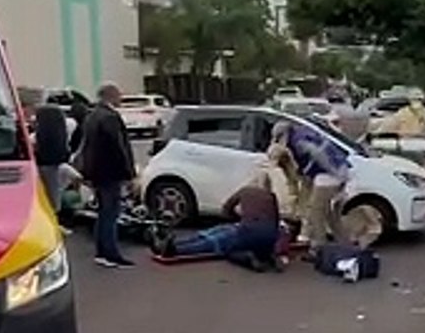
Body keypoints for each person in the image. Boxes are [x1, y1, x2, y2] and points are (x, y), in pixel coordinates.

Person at [151, 173, 283, 272]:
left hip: (246, 231)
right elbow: (276, 222)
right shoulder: (271, 196)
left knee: (216, 239)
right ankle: (172, 245)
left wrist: (236, 217)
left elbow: (226, 209)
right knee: (219, 237)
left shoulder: (245, 191)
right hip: (268, 237)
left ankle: (176, 247)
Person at [272, 120, 351, 258]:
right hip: (340, 171)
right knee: (331, 215)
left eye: (278, 138)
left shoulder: (298, 142)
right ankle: (346, 247)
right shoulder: (302, 132)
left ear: (283, 135)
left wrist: (335, 173)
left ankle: (319, 249)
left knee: (316, 213)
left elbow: (317, 154)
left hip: (329, 177)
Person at [80, 82, 137, 268]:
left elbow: (86, 147)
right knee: (111, 213)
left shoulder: (92, 116)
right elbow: (118, 147)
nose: (121, 98)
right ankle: (111, 253)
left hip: (97, 172)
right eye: (119, 95)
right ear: (111, 96)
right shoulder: (110, 117)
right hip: (111, 172)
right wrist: (129, 173)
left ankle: (101, 252)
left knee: (103, 212)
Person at [33, 99, 81, 232]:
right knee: (53, 198)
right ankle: (53, 225)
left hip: (40, 166)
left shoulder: (37, 137)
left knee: (43, 198)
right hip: (54, 165)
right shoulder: (60, 135)